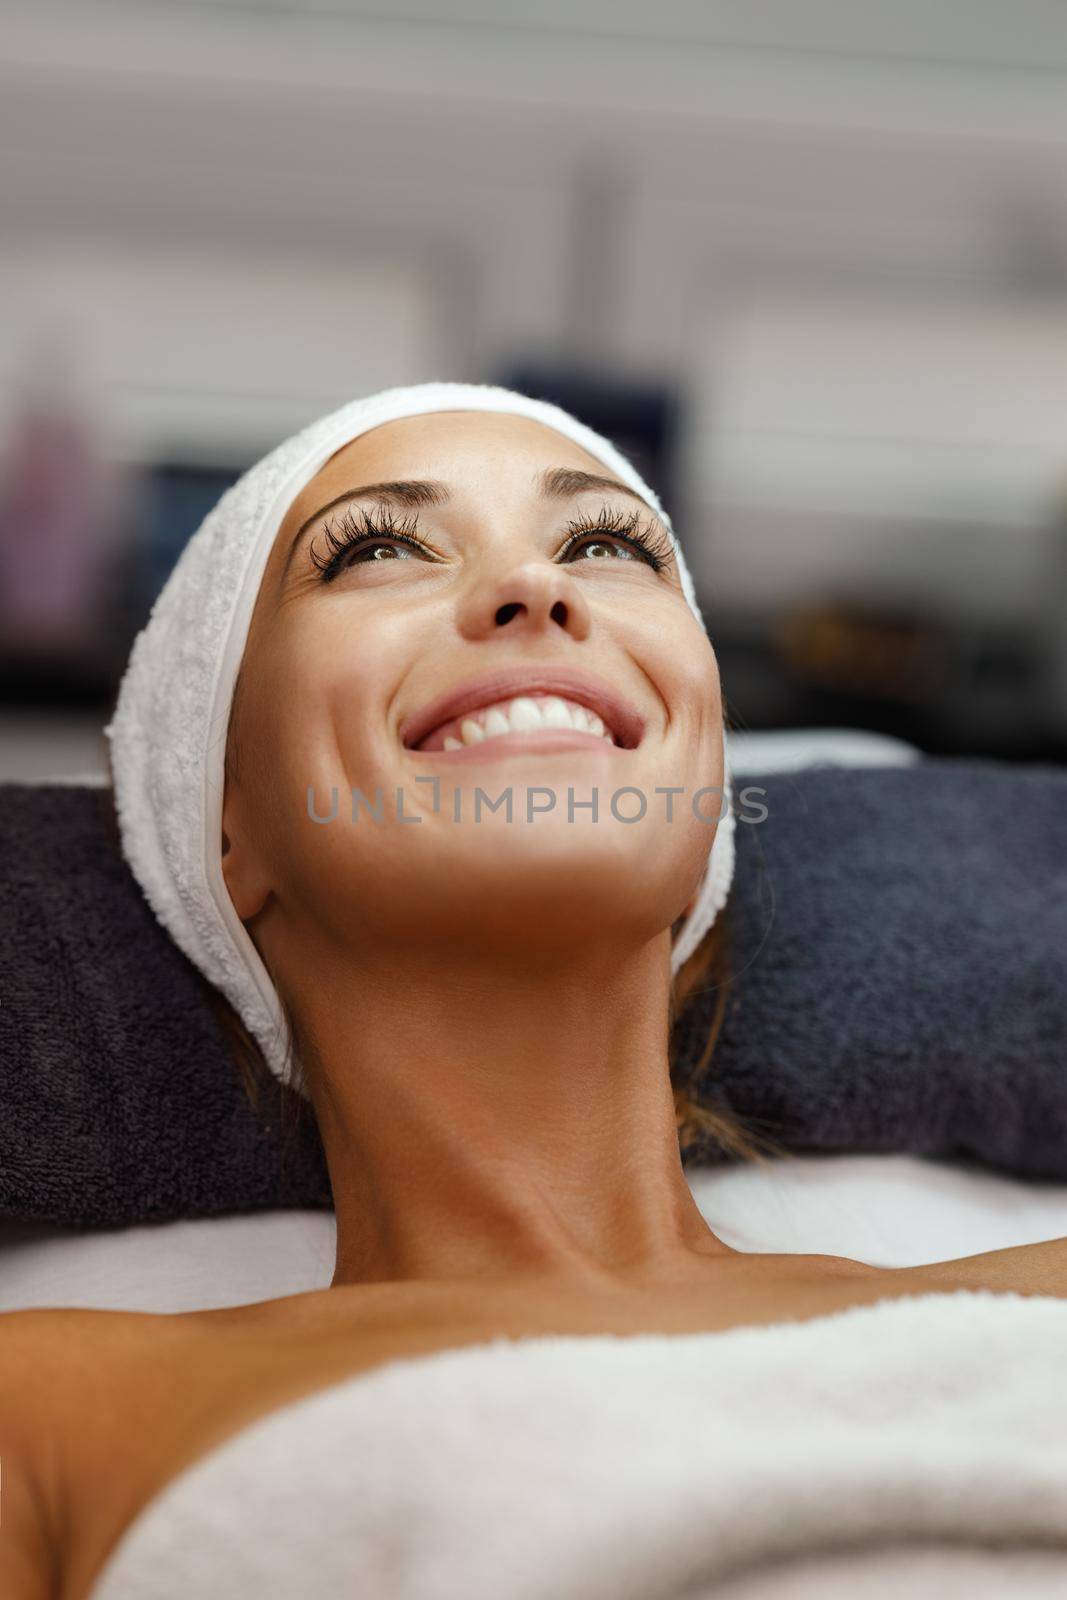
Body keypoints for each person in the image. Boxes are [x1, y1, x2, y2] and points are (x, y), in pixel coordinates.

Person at [3, 393, 1065, 1600]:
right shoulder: (55, 1419)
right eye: (375, 551)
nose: (533, 590)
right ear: (226, 822)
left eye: (604, 547)